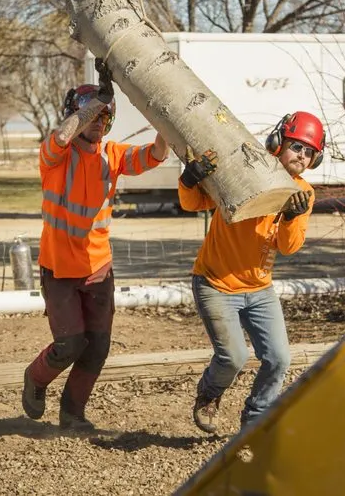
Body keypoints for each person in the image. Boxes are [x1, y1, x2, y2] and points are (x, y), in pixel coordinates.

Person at [22, 62, 169, 433]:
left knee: (98, 346)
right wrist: (97, 101)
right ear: (75, 116)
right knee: (70, 343)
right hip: (58, 270)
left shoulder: (113, 154)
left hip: (98, 269)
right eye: (91, 115)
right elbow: (61, 137)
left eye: (105, 116)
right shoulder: (54, 155)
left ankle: (72, 414)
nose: (98, 122)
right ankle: (36, 378)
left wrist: (168, 123)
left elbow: (154, 154)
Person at [178, 110, 324, 434]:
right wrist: (190, 180)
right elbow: (193, 203)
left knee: (279, 359)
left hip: (259, 289)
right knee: (233, 356)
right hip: (216, 283)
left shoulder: (302, 194)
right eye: (296, 146)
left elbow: (289, 247)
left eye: (309, 152)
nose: (301, 155)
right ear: (278, 142)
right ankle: (209, 395)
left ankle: (255, 420)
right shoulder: (245, 169)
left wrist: (288, 218)